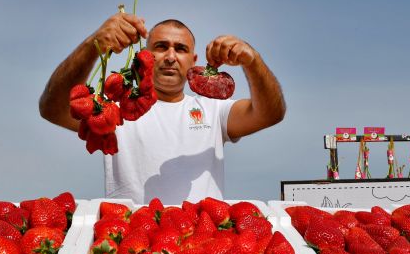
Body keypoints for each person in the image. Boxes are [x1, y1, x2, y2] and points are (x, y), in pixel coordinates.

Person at [39, 13, 286, 204]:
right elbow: (53, 108)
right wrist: (93, 47)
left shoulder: (213, 110)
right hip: (131, 244)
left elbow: (270, 113)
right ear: (145, 55)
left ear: (194, 60)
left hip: (201, 246)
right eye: (161, 47)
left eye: (180, 49)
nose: (170, 56)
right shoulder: (114, 107)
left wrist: (252, 60)